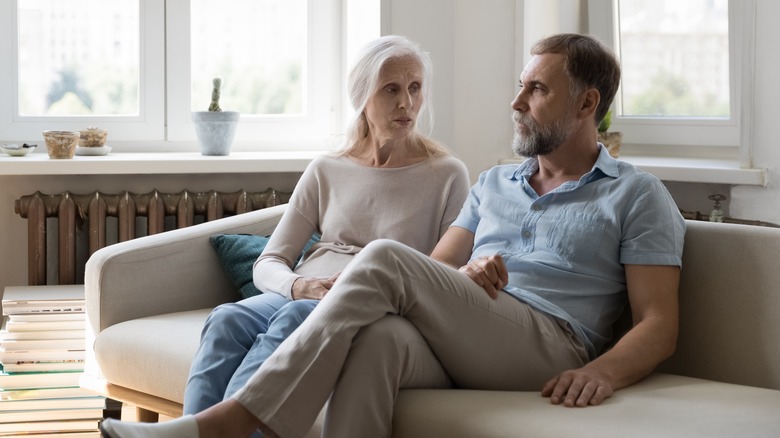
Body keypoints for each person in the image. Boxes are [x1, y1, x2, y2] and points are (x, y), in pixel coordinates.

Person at [101, 33, 685, 438]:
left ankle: (231, 423)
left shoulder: (635, 193)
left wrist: (600, 373)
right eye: (520, 85)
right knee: (378, 340)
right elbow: (437, 271)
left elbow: (658, 323)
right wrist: (463, 277)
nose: (515, 102)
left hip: (552, 342)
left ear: (587, 103)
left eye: (536, 90)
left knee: (385, 258)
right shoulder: (493, 183)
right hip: (480, 331)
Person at [106, 34, 469, 436]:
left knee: (296, 317)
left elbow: (440, 276)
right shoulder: (327, 169)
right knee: (226, 318)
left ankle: (215, 431)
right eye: (391, 90)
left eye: (415, 88)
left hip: (369, 304)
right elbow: (269, 262)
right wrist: (300, 286)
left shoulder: (446, 174)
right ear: (362, 97)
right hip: (306, 294)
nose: (407, 103)